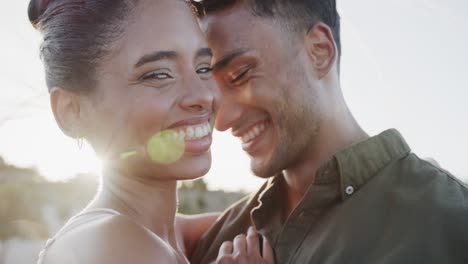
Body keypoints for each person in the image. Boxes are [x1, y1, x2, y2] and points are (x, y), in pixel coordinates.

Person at [188, 0, 468, 263]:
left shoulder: (451, 224)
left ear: (319, 50)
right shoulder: (219, 241)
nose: (221, 121)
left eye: (240, 74)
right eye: (211, 87)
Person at [28, 0, 273, 263]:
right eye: (158, 75)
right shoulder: (108, 244)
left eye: (203, 67)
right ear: (72, 111)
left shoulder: (173, 234)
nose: (204, 95)